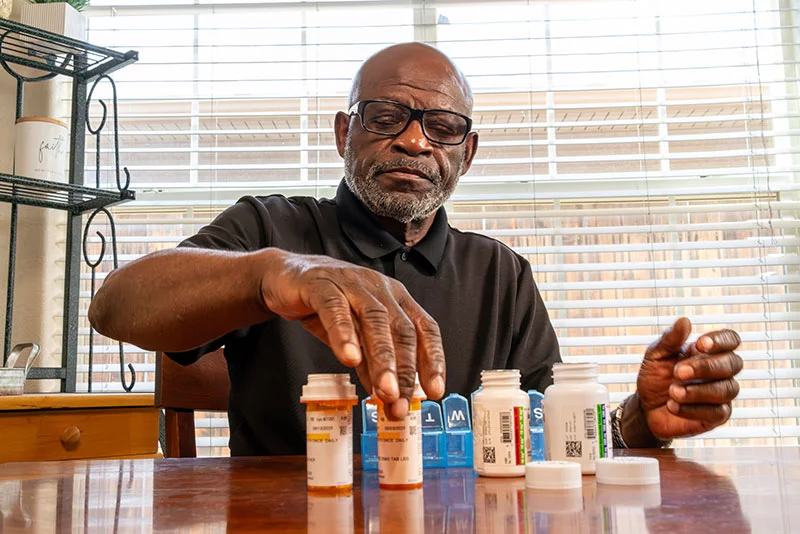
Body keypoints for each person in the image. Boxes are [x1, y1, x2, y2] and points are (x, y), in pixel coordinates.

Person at [88, 42, 743, 455]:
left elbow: (551, 438)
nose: (414, 141)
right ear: (346, 131)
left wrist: (638, 421)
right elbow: (114, 308)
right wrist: (271, 274)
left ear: (467, 151)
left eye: (443, 126)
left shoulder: (501, 274)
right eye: (384, 117)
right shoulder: (272, 230)